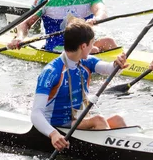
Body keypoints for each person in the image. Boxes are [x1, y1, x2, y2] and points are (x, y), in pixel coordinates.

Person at [31, 18, 129, 151]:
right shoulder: (52, 72)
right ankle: (112, 157)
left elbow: (108, 69)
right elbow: (36, 114)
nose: (93, 48)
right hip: (57, 126)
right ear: (83, 46)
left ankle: (133, 153)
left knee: (117, 120)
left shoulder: (86, 61)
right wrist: (53, 134)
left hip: (77, 121)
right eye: (92, 44)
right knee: (98, 120)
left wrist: (117, 64)